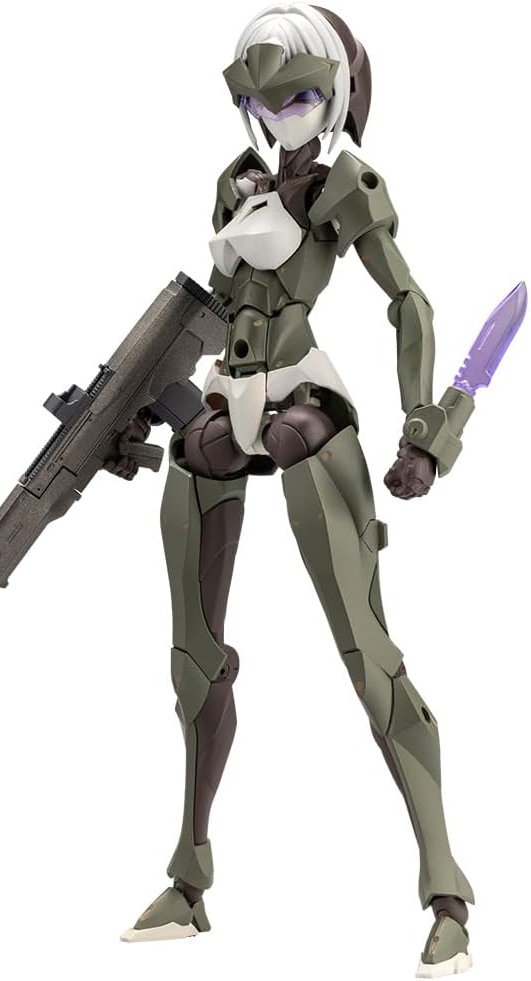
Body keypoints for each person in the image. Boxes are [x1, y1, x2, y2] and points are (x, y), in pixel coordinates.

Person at [119, 6, 474, 976]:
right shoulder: (234, 185)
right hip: (220, 401)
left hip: (304, 403)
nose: (282, 116)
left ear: (336, 95)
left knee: (367, 654)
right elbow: (207, 308)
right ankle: (189, 878)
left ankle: (446, 890)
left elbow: (409, 302)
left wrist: (422, 428)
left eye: (301, 97)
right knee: (193, 660)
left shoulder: (346, 186)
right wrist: (132, 403)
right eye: (265, 102)